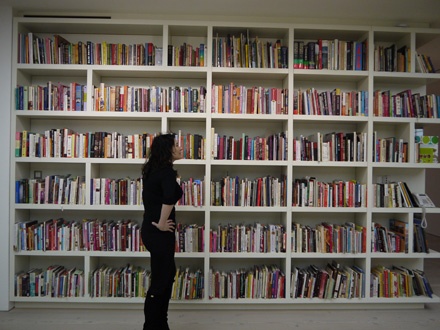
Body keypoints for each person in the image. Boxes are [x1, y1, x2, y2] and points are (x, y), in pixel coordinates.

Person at [141, 133, 183, 330]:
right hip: (158, 233)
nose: (181, 147)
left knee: (165, 277)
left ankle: (160, 323)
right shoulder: (165, 173)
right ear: (168, 150)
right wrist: (161, 223)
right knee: (160, 281)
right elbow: (168, 199)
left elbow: (160, 198)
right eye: (176, 145)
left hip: (154, 233)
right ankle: (152, 326)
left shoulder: (155, 170)